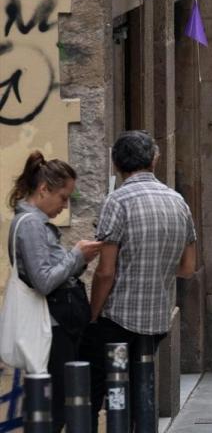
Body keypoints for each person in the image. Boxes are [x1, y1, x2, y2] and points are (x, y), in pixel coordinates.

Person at [85, 131, 197, 430]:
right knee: (141, 386)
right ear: (154, 160)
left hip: (117, 317)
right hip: (157, 318)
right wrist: (156, 267)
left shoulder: (117, 202)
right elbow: (188, 267)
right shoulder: (178, 202)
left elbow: (105, 271)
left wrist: (93, 315)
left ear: (115, 164)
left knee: (104, 388)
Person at [7, 152, 102, 432]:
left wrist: (79, 259)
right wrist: (76, 255)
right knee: (57, 407)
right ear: (43, 189)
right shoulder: (31, 225)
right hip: (52, 327)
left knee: (60, 405)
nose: (65, 205)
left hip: (58, 325)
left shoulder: (36, 223)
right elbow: (44, 281)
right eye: (63, 197)